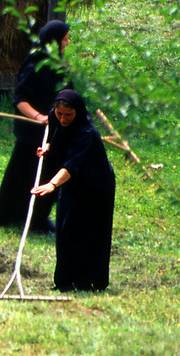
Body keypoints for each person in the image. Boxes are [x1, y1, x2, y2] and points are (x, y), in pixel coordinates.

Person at [0, 20, 71, 233]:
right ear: (54, 41)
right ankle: (14, 217)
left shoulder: (60, 64)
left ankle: (38, 219)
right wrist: (39, 117)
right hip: (32, 134)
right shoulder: (35, 62)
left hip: (54, 132)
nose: (67, 44)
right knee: (23, 177)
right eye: (65, 39)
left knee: (49, 177)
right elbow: (20, 99)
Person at [31, 89, 116, 292]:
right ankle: (65, 280)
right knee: (66, 228)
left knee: (88, 231)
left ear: (78, 112)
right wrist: (49, 148)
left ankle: (88, 281)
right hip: (73, 184)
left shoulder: (87, 133)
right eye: (60, 114)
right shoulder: (55, 117)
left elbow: (73, 164)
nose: (63, 118)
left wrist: (52, 184)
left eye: (68, 115)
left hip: (95, 185)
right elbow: (58, 136)